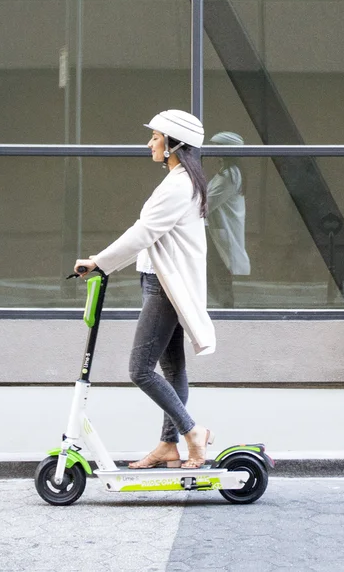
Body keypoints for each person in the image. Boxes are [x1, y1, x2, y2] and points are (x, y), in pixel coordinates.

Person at [74, 109, 216, 470]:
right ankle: (168, 446)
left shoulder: (179, 185)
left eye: (155, 137)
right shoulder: (182, 181)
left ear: (173, 144)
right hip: (160, 281)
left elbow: (143, 233)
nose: (149, 143)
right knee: (172, 369)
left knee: (140, 369)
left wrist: (99, 262)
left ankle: (191, 432)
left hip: (164, 288)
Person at [205, 131, 251, 308]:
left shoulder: (229, 176)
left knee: (221, 272)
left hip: (222, 232)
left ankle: (226, 307)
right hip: (219, 230)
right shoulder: (228, 173)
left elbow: (207, 204)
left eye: (216, 147)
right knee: (219, 271)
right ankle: (224, 305)